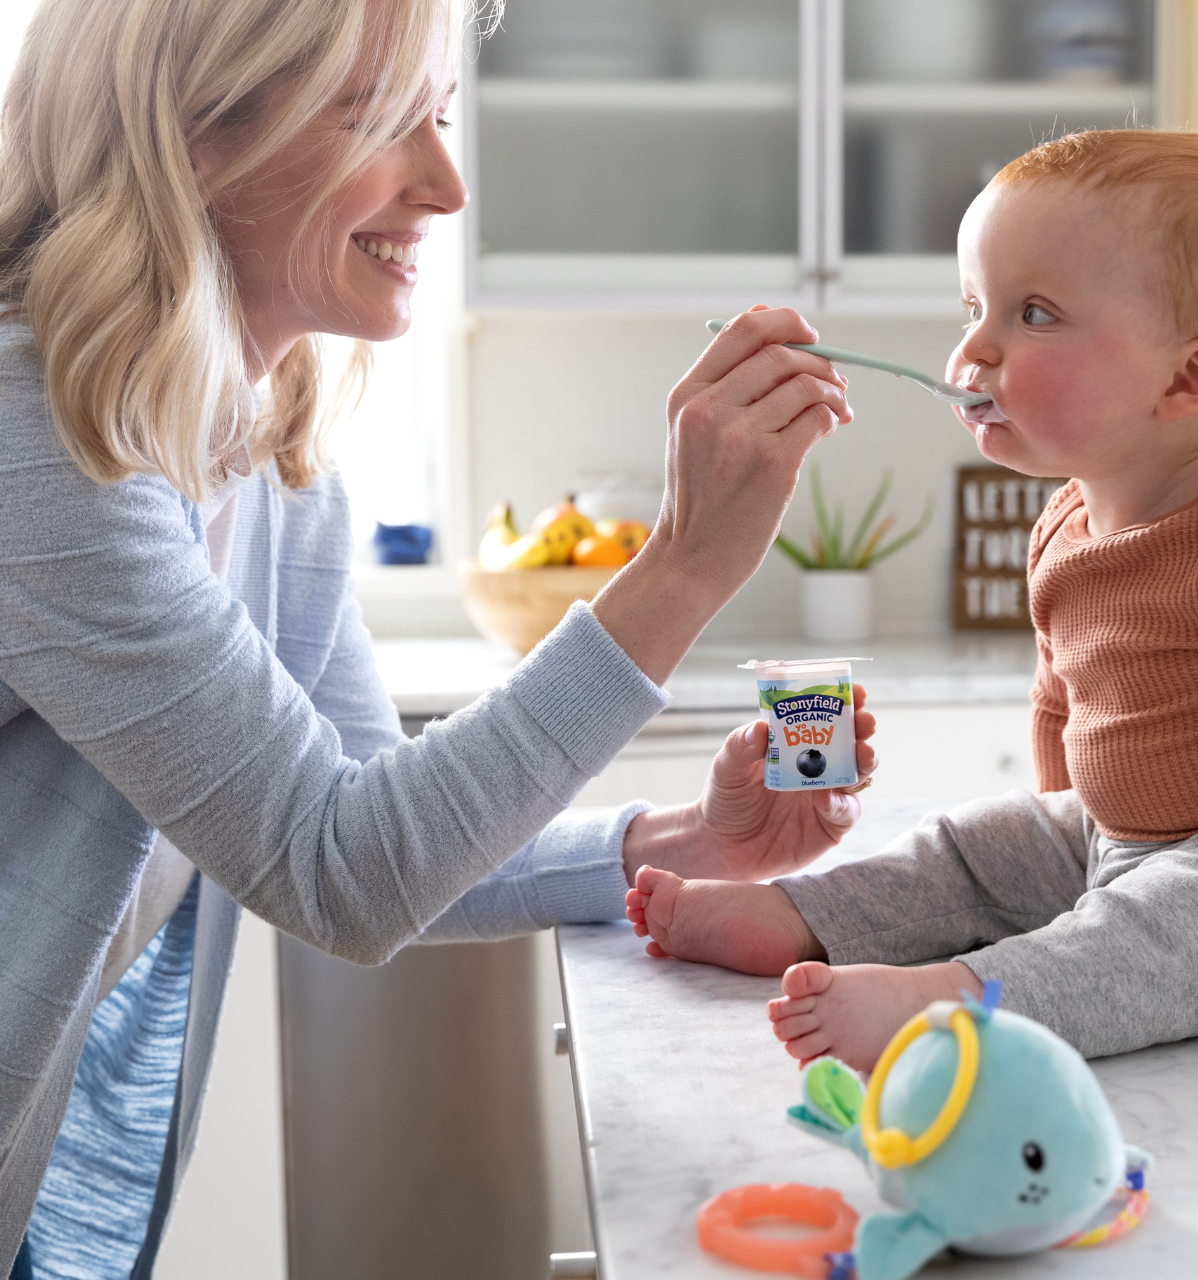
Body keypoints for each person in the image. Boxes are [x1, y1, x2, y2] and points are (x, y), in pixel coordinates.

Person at [0, 0, 877, 1273]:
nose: (448, 185)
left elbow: (391, 840)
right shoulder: (41, 439)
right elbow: (340, 871)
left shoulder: (270, 458)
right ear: (191, 131)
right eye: (382, 119)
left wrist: (683, 840)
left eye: (444, 117)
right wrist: (683, 565)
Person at [626, 129, 1198, 1071]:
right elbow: (1061, 701)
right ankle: (801, 915)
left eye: (1033, 314)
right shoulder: (1064, 523)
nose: (973, 349)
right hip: (1122, 833)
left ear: (1188, 378)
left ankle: (962, 1003)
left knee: (1168, 924)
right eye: (975, 307)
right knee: (966, 845)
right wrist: (1047, 842)